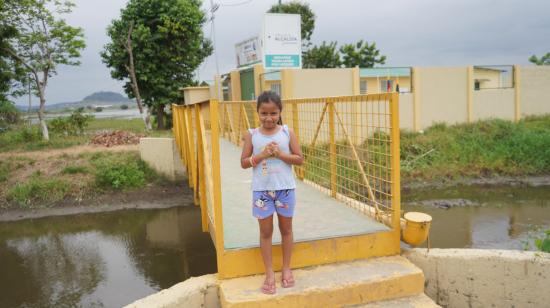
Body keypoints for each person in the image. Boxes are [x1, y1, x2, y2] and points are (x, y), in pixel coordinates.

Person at [240, 91, 304, 295]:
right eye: (264, 113)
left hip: (285, 189)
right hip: (262, 192)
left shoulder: (287, 132)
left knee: (286, 230)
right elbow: (243, 163)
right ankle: (269, 273)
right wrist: (262, 155)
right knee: (266, 233)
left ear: (280, 112)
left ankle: (286, 268)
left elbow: (299, 159)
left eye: (273, 113)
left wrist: (280, 154)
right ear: (257, 112)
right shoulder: (252, 135)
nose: (269, 118)